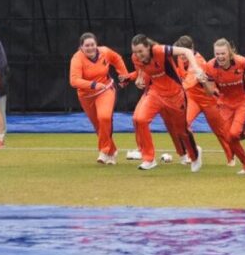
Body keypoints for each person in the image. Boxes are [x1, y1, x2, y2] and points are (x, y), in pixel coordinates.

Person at [128, 33, 206, 171]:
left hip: (175, 95)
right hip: (155, 93)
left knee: (182, 131)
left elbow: (187, 51)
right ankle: (148, 159)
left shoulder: (159, 50)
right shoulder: (136, 58)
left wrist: (196, 68)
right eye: (135, 52)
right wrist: (140, 77)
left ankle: (194, 155)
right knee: (140, 119)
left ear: (148, 47)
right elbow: (141, 66)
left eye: (141, 51)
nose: (138, 55)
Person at [68, 32, 130, 164]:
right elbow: (74, 81)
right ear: (81, 47)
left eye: (92, 45)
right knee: (98, 125)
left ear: (96, 45)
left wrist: (124, 75)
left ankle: (104, 150)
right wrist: (94, 85)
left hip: (106, 89)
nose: (90, 48)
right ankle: (112, 151)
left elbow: (117, 59)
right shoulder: (77, 58)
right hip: (86, 95)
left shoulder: (105, 52)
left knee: (104, 117)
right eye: (87, 46)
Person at [174, 35, 236, 166]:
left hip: (209, 100)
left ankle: (231, 157)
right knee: (183, 125)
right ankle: (194, 154)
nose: (183, 56)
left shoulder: (199, 62)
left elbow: (190, 82)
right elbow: (181, 76)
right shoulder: (179, 58)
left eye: (185, 52)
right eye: (181, 52)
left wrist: (175, 91)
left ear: (192, 49)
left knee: (220, 131)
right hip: (192, 98)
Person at [202, 38, 245, 175]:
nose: (220, 57)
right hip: (225, 104)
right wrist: (203, 82)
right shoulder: (210, 67)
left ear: (229, 53)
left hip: (243, 101)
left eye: (223, 53)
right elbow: (210, 92)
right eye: (217, 54)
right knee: (228, 138)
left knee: (234, 133)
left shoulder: (240, 61)